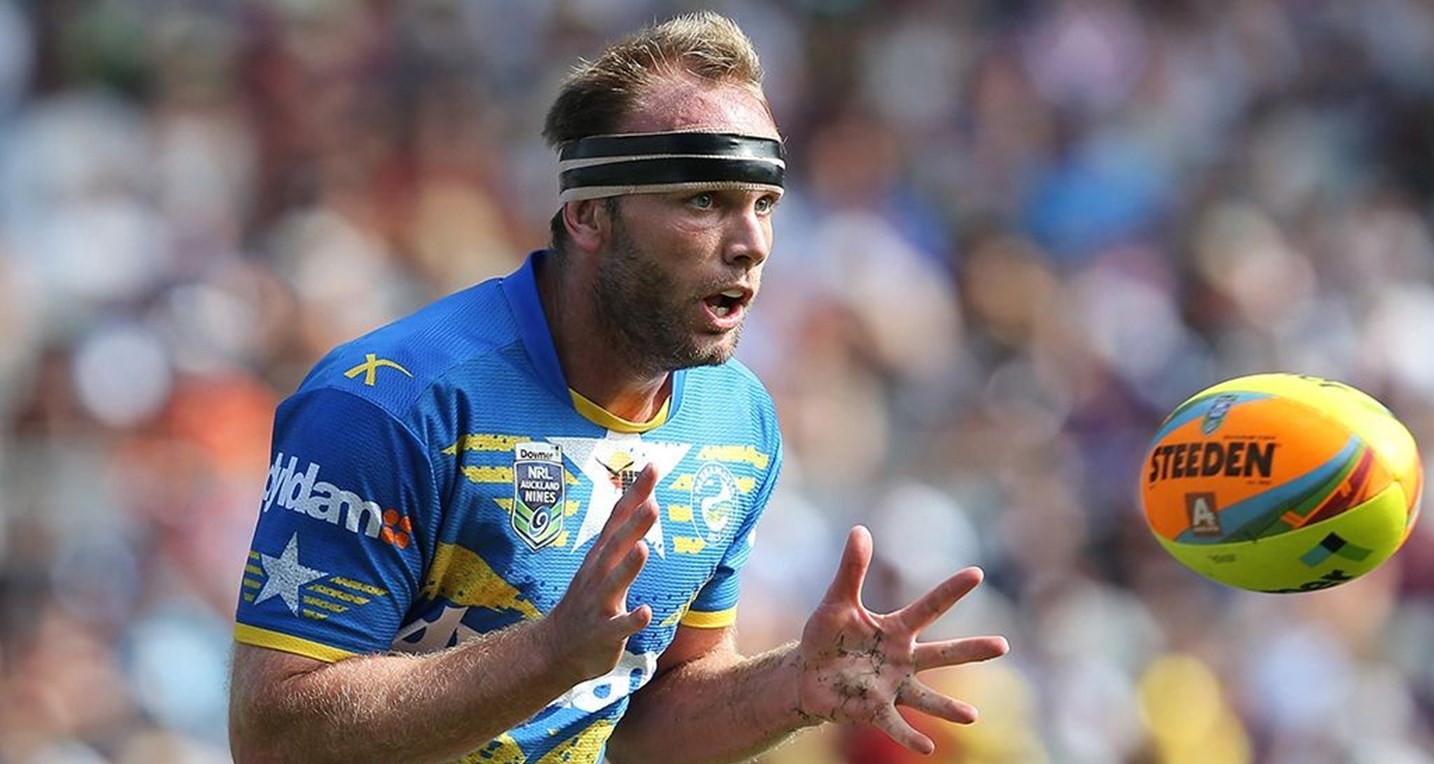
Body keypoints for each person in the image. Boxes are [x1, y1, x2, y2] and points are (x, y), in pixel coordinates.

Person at [226, 12, 1010, 764]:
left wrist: (790, 689)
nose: (751, 243)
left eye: (764, 204)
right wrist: (546, 655)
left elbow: (646, 717)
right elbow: (274, 735)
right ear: (590, 215)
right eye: (703, 200)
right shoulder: (391, 407)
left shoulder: (736, 422)